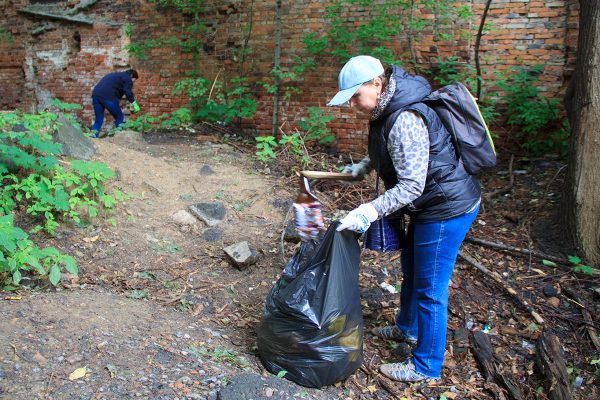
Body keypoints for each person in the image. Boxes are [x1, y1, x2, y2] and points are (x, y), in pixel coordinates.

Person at [328, 55, 481, 382]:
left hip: (446, 208)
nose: (354, 104)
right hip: (430, 205)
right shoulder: (386, 108)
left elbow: (413, 184)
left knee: (430, 289)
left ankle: (426, 366)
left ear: (376, 84)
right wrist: (363, 167)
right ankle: (407, 327)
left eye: (356, 96)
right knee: (412, 269)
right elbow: (386, 148)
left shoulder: (405, 117)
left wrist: (370, 210)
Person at [91, 69, 140, 137]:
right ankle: (119, 137)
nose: (133, 82)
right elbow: (127, 92)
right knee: (119, 117)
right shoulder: (128, 78)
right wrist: (134, 103)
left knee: (99, 119)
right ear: (132, 75)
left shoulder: (116, 75)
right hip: (108, 97)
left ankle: (93, 136)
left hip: (96, 95)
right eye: (134, 80)